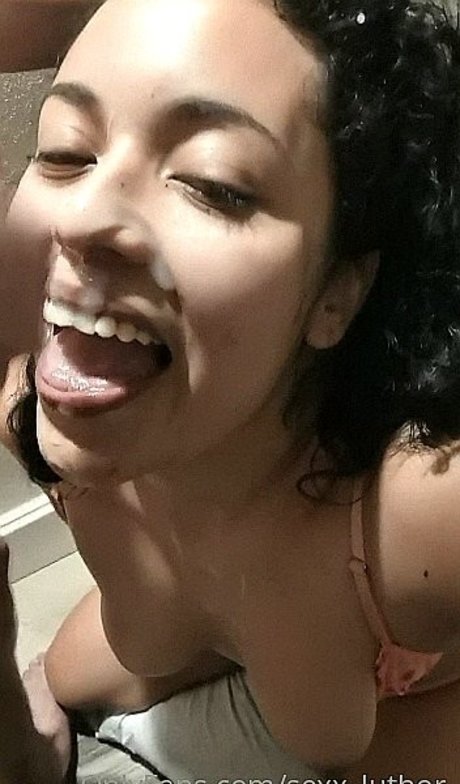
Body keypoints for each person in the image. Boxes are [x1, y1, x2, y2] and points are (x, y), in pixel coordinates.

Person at [2, 0, 460, 782]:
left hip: (409, 681)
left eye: (213, 184)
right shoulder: (41, 416)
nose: (81, 219)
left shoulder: (421, 514)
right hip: (215, 615)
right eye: (66, 152)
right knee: (63, 681)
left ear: (337, 293)